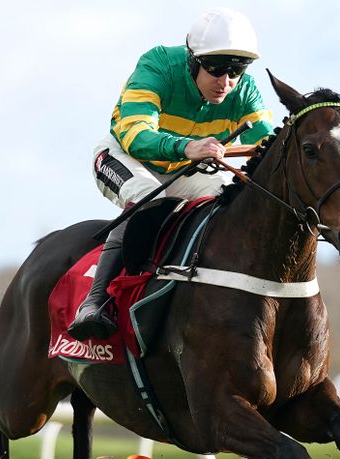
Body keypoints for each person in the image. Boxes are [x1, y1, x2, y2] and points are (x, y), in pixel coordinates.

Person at [67, 7, 276, 341]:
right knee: (148, 197)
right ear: (193, 59)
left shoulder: (244, 90)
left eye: (236, 70)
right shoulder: (159, 65)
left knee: (228, 203)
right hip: (125, 157)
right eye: (216, 68)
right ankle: (95, 301)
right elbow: (135, 134)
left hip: (185, 170)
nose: (225, 82)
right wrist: (186, 147)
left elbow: (268, 147)